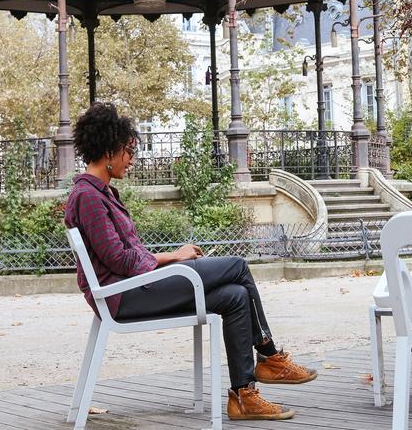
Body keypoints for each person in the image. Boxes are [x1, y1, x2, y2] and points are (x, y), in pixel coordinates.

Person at [64, 103, 316, 421]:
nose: (131, 159)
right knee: (237, 266)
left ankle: (245, 397)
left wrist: (169, 258)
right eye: (128, 151)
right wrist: (173, 257)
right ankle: (269, 355)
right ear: (109, 150)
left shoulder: (102, 193)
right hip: (125, 296)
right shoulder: (88, 197)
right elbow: (120, 259)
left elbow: (127, 256)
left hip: (136, 287)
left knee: (236, 296)